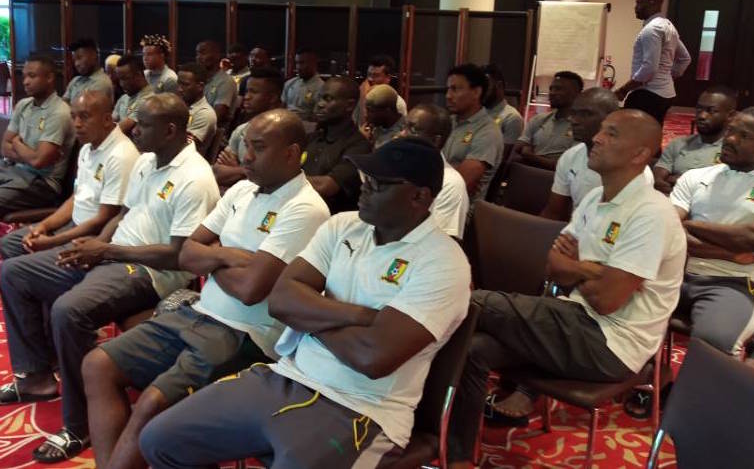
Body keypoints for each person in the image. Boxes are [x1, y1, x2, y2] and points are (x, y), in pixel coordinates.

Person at [138, 137, 471, 469]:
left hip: (359, 409)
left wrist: (309, 316)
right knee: (160, 440)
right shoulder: (343, 226)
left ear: (419, 196)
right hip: (287, 376)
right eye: (365, 179)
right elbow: (281, 301)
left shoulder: (443, 263)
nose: (364, 188)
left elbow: (372, 358)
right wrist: (361, 316)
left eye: (379, 184)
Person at [81, 110, 330, 469]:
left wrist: (212, 260)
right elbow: (187, 253)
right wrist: (230, 256)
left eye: (258, 148)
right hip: (198, 313)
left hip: (246, 335)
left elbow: (250, 290)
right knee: (98, 364)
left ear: (291, 153)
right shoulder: (242, 190)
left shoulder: (305, 208)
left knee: (151, 402)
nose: (246, 157)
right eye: (246, 146)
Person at [446, 111, 687, 467]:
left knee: (474, 303)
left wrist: (575, 267)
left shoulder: (651, 214)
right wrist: (591, 270)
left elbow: (606, 300)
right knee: (473, 348)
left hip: (610, 344)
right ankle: (459, 458)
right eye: (600, 130)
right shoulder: (595, 198)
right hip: (574, 320)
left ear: (640, 154)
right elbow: (553, 267)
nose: (597, 139)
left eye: (612, 134)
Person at [0, 93, 219, 463]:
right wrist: (95, 245)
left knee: (69, 310)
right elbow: (122, 215)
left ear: (169, 130)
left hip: (150, 271)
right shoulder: (148, 160)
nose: (132, 129)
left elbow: (180, 255)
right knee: (14, 272)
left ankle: (79, 424)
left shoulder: (195, 178)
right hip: (114, 255)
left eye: (142, 124)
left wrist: (107, 251)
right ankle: (36, 376)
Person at [671, 106, 754, 356]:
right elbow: (667, 232)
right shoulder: (695, 177)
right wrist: (729, 253)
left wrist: (689, 225)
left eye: (744, 136)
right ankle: (654, 376)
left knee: (713, 344)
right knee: (611, 308)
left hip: (734, 282)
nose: (731, 139)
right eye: (731, 131)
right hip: (674, 272)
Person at [0, 90, 138, 262]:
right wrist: (43, 226)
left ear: (107, 119)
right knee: (8, 244)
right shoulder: (87, 148)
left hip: (92, 238)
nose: (77, 124)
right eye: (73, 117)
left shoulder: (120, 155)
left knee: (11, 269)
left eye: (84, 117)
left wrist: (52, 241)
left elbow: (105, 219)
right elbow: (75, 199)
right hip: (71, 226)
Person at [541, 88, 654, 221]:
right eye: (573, 113)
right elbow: (554, 212)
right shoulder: (571, 156)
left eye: (586, 114)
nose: (574, 120)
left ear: (612, 118)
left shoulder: (635, 172)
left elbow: (621, 226)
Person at [0, 54, 75, 216]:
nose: (25, 81)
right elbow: (4, 148)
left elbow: (38, 161)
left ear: (49, 78)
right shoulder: (23, 105)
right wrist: (29, 155)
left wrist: (17, 143)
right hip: (14, 169)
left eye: (32, 76)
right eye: (24, 76)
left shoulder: (59, 112)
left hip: (41, 183)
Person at [615, 0, 692, 124]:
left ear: (653, 3)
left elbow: (649, 69)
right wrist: (666, 76)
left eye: (639, 3)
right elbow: (685, 58)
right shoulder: (668, 26)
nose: (635, 8)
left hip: (647, 95)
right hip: (666, 94)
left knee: (631, 131)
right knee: (653, 131)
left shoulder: (651, 29)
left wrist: (623, 90)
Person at [400, 103, 469, 239]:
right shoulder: (399, 168)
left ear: (435, 141)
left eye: (413, 129)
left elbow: (441, 244)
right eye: (404, 127)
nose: (402, 134)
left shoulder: (450, 184)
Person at [303, 76, 371, 213]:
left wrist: (284, 180)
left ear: (349, 105)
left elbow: (327, 186)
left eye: (327, 99)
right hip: (300, 210)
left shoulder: (359, 146)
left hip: (334, 219)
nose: (319, 104)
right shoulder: (312, 138)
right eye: (319, 98)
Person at [442, 63, 503, 211]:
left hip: (459, 209)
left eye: (455, 89)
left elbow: (459, 184)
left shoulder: (488, 132)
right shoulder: (448, 122)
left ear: (476, 92)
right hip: (434, 198)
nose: (448, 96)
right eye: (448, 89)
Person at [654, 85, 737, 194]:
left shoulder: (734, 151)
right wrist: (659, 181)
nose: (702, 116)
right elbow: (661, 169)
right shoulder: (678, 143)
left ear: (730, 115)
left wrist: (683, 181)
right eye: (699, 109)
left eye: (711, 111)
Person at [214, 66, 284, 188]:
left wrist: (236, 170)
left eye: (254, 92)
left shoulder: (285, 132)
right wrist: (245, 171)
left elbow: (273, 178)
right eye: (247, 91)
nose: (246, 97)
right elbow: (217, 173)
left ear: (273, 98)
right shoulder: (241, 129)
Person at [514, 71, 583, 170]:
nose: (552, 93)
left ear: (577, 94)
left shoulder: (581, 127)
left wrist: (531, 157)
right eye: (551, 89)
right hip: (526, 173)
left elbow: (568, 167)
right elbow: (518, 147)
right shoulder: (539, 119)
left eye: (559, 89)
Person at [176, 62, 217, 156]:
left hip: (186, 161)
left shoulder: (205, 114)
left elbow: (184, 147)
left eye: (185, 85)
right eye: (179, 84)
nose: (179, 89)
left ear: (200, 86)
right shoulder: (178, 106)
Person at [353, 54, 407, 126]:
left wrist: (363, 98)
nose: (370, 79)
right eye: (369, 74)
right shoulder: (361, 95)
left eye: (376, 75)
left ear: (388, 78)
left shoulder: (397, 102)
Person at [196, 40, 237, 126]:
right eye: (197, 53)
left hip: (213, 129)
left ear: (217, 56)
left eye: (203, 53)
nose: (198, 57)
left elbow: (217, 116)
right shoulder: (200, 80)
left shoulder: (226, 81)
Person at [62, 39, 114, 105]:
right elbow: (63, 105)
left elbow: (85, 110)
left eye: (79, 58)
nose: (76, 64)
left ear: (94, 56)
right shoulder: (75, 80)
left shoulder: (102, 82)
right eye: (74, 60)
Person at [113, 55, 155, 136]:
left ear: (138, 75)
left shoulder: (149, 100)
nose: (121, 84)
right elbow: (110, 122)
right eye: (119, 79)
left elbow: (120, 129)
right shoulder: (124, 98)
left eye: (125, 78)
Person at [483, 63, 524, 144]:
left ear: (499, 86)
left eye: (485, 86)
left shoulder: (511, 117)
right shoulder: (475, 113)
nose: (481, 91)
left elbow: (504, 152)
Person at [282, 48, 324, 121]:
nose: (298, 67)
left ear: (313, 63)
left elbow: (317, 116)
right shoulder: (290, 83)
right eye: (297, 63)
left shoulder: (321, 87)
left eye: (302, 63)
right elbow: (282, 105)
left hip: (306, 125)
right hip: (285, 121)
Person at [362, 84, 405, 149]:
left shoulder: (403, 134)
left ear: (387, 110)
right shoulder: (376, 126)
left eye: (371, 111)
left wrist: (364, 143)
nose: (366, 115)